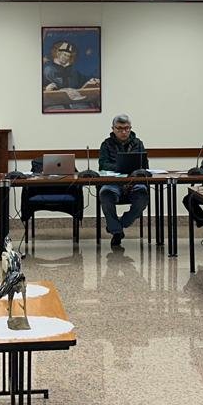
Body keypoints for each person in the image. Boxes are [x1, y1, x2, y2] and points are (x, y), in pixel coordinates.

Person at [98, 114, 150, 249]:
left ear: (130, 128)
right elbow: (102, 165)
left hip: (134, 182)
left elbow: (144, 165)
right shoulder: (106, 144)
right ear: (113, 129)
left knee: (143, 196)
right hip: (113, 183)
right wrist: (120, 167)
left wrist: (134, 171)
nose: (124, 132)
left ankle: (118, 225)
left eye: (127, 128)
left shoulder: (138, 143)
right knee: (105, 194)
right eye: (120, 129)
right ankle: (117, 232)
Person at [42, 39, 101, 111]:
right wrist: (46, 89)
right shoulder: (48, 70)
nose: (66, 57)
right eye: (64, 54)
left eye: (68, 56)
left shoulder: (73, 71)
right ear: (57, 53)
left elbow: (82, 82)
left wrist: (92, 81)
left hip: (77, 105)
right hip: (56, 105)